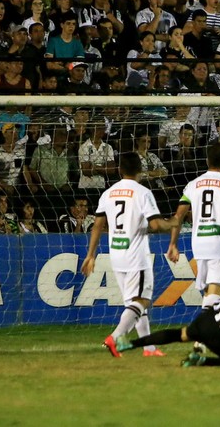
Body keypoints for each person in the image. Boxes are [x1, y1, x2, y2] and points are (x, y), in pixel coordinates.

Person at [81, 152, 179, 358]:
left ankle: (149, 348)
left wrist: (91, 255)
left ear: (119, 170)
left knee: (133, 303)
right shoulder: (142, 193)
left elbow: (98, 225)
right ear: (140, 171)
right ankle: (115, 337)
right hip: (136, 255)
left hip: (116, 254)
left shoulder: (108, 193)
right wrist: (172, 223)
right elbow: (154, 224)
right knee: (142, 300)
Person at [167, 143, 220, 310]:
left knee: (209, 292)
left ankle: (205, 333)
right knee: (215, 290)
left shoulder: (192, 185)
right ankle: (201, 334)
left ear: (207, 160)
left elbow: (178, 216)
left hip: (199, 244)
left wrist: (173, 244)